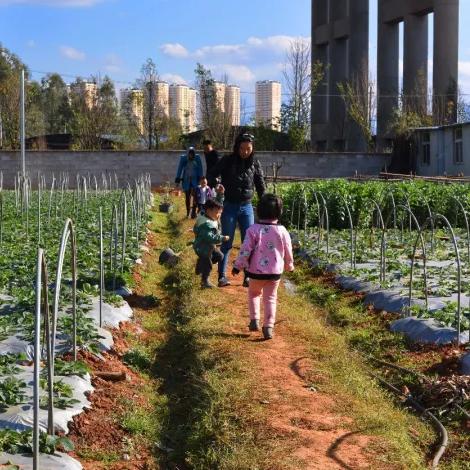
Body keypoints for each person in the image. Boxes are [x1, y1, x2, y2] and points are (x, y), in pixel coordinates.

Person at [232, 194, 294, 340]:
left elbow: (245, 250)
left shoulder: (253, 229)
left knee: (254, 293)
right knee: (271, 298)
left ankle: (254, 320)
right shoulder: (282, 231)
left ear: (258, 211)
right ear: (279, 212)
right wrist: (289, 265)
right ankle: (268, 327)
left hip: (255, 272)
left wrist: (238, 266)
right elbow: (288, 249)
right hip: (274, 273)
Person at [209, 133, 266, 288]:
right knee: (226, 241)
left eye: (248, 149)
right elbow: (212, 173)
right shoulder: (227, 161)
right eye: (242, 148)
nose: (245, 151)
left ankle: (248, 276)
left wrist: (266, 204)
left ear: (252, 149)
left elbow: (260, 185)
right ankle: (221, 276)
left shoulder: (255, 163)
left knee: (249, 243)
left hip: (247, 206)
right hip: (229, 206)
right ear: (237, 147)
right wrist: (216, 184)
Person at [193, 197, 229, 289]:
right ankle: (205, 281)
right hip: (202, 247)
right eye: (217, 212)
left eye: (220, 213)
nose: (219, 215)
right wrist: (222, 238)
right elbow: (211, 237)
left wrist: (220, 194)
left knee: (219, 256)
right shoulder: (206, 223)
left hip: (208, 246)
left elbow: (217, 229)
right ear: (208, 210)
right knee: (208, 264)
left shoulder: (209, 217)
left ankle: (201, 265)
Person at [175, 147, 203, 219]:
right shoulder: (183, 158)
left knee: (195, 197)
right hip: (186, 180)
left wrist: (201, 179)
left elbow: (200, 168)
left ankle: (194, 212)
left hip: (195, 180)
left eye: (192, 154)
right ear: (187, 154)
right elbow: (180, 169)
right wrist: (177, 179)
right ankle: (188, 212)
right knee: (187, 197)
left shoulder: (197, 158)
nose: (190, 156)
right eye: (189, 154)